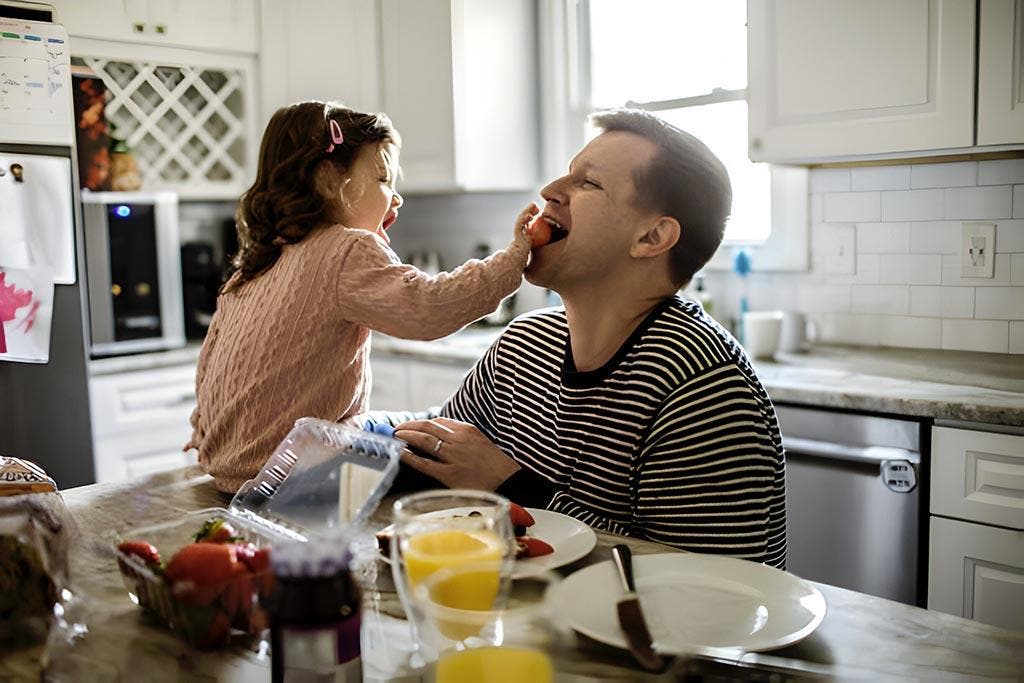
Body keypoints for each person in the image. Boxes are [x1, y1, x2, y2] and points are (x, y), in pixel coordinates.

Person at [382, 109, 787, 568]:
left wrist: (510, 486)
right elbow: (440, 448)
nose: (551, 191)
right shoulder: (525, 344)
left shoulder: (702, 388)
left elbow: (705, 585)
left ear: (652, 236)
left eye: (588, 183)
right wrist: (339, 431)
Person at [185, 101, 537, 493]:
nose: (396, 198)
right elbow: (428, 308)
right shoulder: (345, 250)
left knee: (410, 422)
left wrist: (206, 431)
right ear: (329, 180)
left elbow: (209, 368)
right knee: (437, 442)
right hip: (303, 470)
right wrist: (513, 260)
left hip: (232, 473)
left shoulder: (251, 269)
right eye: (384, 179)